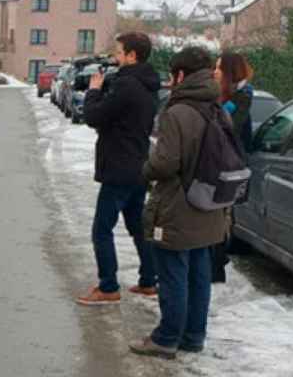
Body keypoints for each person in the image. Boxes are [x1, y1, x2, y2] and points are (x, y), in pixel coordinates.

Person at [130, 46, 228, 360]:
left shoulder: (177, 112)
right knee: (199, 273)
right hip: (209, 205)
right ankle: (193, 336)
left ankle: (167, 337)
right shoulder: (218, 108)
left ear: (180, 75)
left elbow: (165, 163)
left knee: (172, 273)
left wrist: (145, 168)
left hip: (177, 206)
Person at [76, 32, 161, 306]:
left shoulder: (127, 86)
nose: (116, 57)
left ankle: (108, 286)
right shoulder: (149, 85)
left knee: (101, 229)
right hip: (139, 164)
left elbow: (93, 116)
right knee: (137, 225)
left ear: (132, 55)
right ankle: (149, 280)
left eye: (119, 52)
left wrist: (94, 90)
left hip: (119, 168)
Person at [210, 51, 254, 284]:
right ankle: (216, 263)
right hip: (222, 165)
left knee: (222, 218)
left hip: (229, 168)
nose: (214, 71)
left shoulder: (240, 100)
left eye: (218, 68)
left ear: (229, 72)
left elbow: (228, 129)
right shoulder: (227, 97)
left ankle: (216, 267)